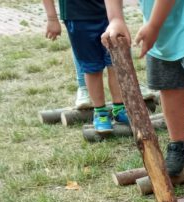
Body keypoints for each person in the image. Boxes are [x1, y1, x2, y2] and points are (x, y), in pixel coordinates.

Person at [102, 0, 184, 178]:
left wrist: (154, 26)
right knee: (169, 87)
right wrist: (116, 18)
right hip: (162, 34)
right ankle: (178, 146)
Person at [42, 0, 128, 132]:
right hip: (77, 17)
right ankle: (100, 113)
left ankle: (120, 108)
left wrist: (118, 17)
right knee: (91, 66)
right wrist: (51, 18)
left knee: (115, 63)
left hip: (109, 13)